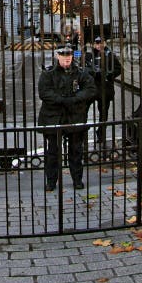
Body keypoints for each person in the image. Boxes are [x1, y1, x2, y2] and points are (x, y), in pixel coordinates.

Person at [37, 44, 96, 192]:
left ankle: (77, 180)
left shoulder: (80, 72)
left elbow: (90, 89)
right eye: (63, 55)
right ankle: (51, 181)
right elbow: (44, 92)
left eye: (69, 55)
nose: (67, 58)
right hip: (53, 117)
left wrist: (75, 99)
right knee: (52, 152)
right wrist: (62, 100)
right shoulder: (48, 73)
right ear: (58, 56)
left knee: (76, 150)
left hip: (74, 116)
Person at [85, 36, 123, 143]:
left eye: (101, 43)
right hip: (91, 88)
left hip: (105, 88)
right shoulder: (88, 55)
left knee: (103, 113)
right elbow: (82, 69)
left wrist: (109, 75)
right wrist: (91, 73)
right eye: (96, 43)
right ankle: (82, 133)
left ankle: (101, 133)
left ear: (105, 43)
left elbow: (118, 68)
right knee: (84, 110)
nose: (98, 45)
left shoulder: (110, 55)